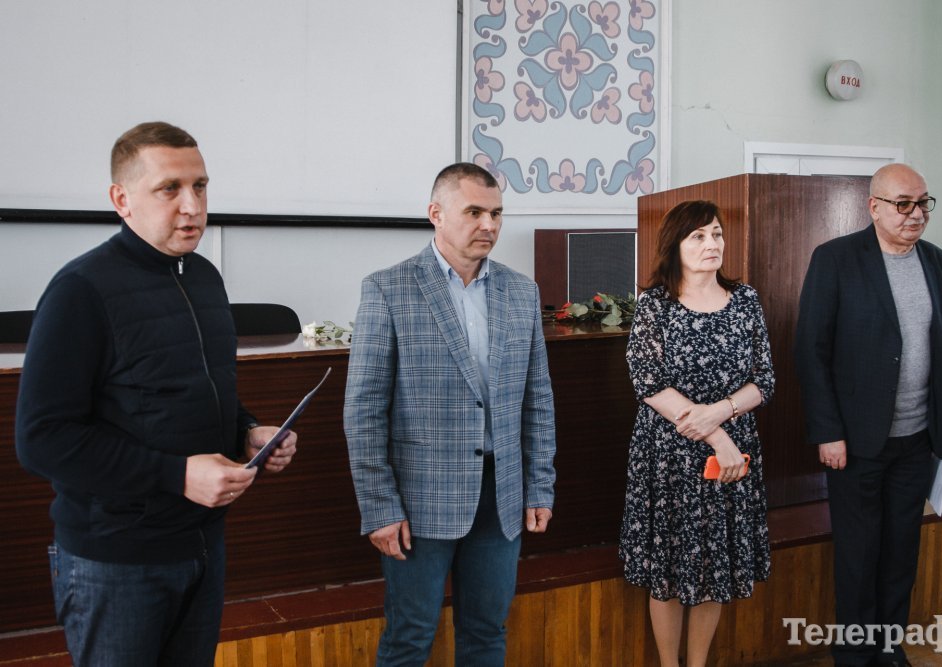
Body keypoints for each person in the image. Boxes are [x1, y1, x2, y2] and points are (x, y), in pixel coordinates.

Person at [15, 121, 297, 667]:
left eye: (200, 186)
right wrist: (177, 475)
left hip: (202, 546)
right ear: (122, 200)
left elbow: (196, 390)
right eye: (169, 188)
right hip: (116, 562)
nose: (192, 206)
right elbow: (41, 440)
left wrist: (248, 431)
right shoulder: (81, 290)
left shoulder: (205, 277)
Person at [343, 162, 556, 666]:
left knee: (486, 631)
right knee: (409, 636)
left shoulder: (521, 292)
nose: (489, 225)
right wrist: (379, 506)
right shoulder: (388, 289)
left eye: (497, 214)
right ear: (436, 214)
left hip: (501, 496)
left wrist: (539, 485)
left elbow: (538, 400)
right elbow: (364, 410)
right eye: (474, 212)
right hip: (419, 499)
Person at [794, 163, 942, 666]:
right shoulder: (836, 259)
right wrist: (827, 431)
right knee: (859, 555)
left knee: (900, 553)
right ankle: (854, 656)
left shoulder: (938, 262)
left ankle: (889, 650)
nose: (916, 214)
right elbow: (811, 351)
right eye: (903, 204)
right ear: (874, 207)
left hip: (918, 439)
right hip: (856, 442)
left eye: (923, 203)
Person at [619, 200, 774, 667]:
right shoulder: (655, 304)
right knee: (668, 568)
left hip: (732, 457)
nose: (712, 244)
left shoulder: (744, 299)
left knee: (714, 569)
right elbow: (647, 381)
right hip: (670, 453)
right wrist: (717, 436)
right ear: (676, 245)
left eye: (717, 234)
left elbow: (764, 380)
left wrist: (720, 414)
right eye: (699, 236)